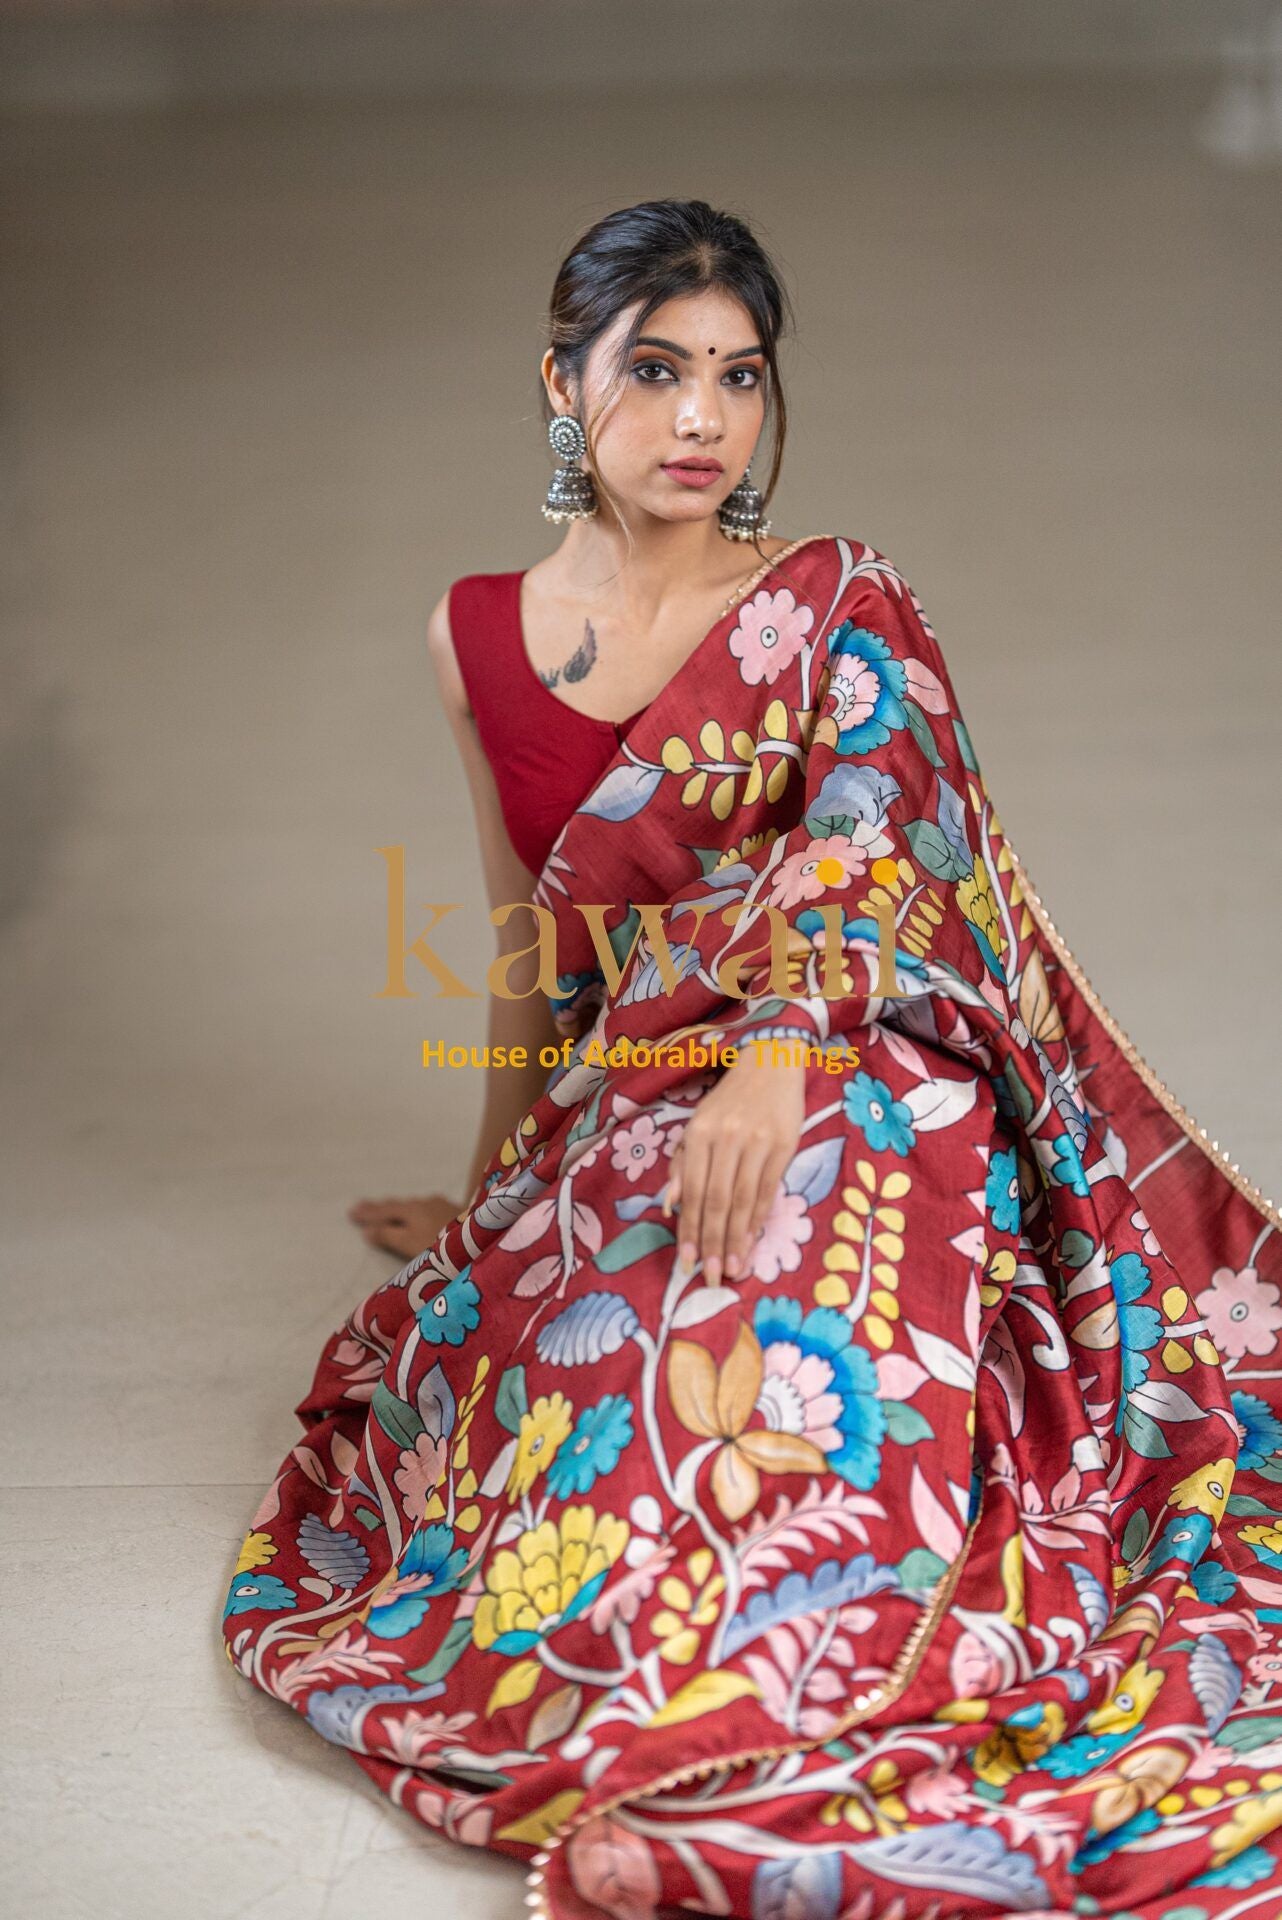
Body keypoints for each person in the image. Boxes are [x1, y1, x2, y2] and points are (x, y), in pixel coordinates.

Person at [223, 201, 1282, 1918]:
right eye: (653, 372)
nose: (700, 420)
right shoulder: (473, 633)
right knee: (606, 1353)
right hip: (633, 1095)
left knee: (788, 1297)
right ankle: (659, 1710)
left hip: (865, 1074)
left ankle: (803, 1702)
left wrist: (779, 1060)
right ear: (561, 389)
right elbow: (540, 947)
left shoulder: (834, 602)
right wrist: (499, 1201)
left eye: (737, 377)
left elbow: (876, 842)